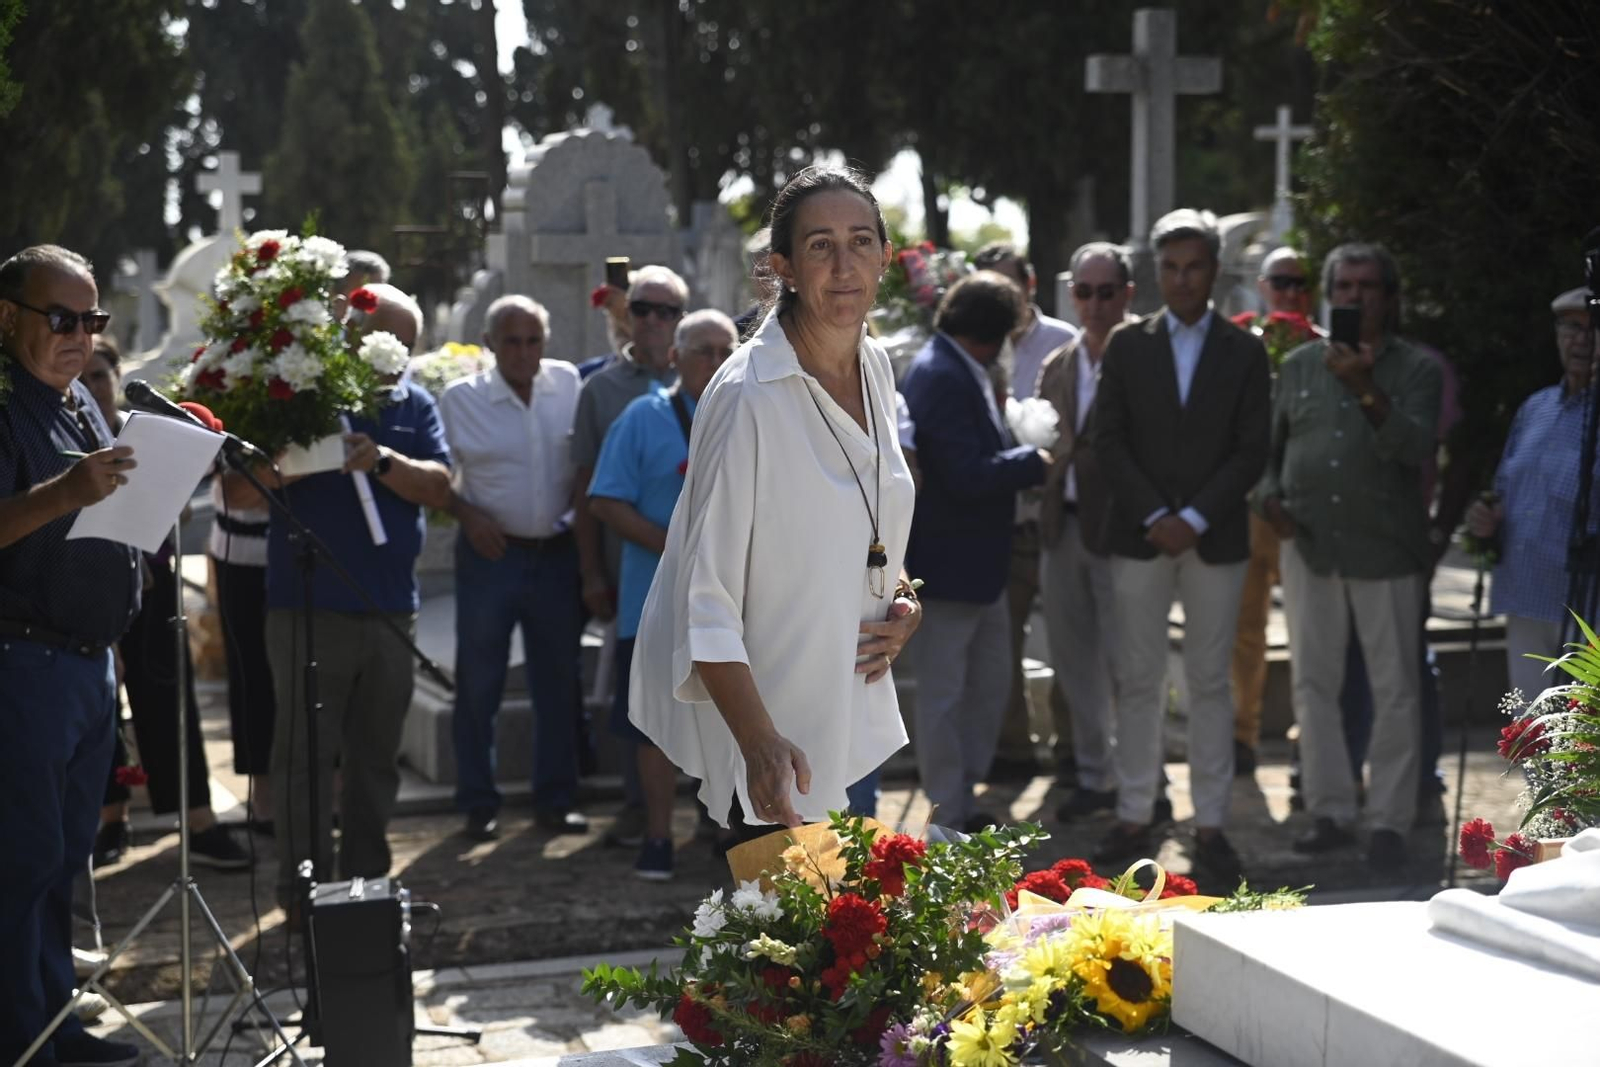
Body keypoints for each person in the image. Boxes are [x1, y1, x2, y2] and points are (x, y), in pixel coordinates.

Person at [628, 165, 921, 831]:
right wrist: (761, 745)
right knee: (788, 929)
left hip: (853, 707)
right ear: (782, 266)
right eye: (820, 245)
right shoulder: (746, 395)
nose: (844, 265)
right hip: (779, 739)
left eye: (861, 241)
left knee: (860, 926)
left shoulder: (875, 365)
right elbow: (707, 601)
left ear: (886, 256)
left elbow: (864, 518)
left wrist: (903, 596)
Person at [250, 283, 453, 907]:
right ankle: (303, 891)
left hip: (389, 609)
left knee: (374, 762)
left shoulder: (413, 405)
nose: (397, 358)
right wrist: (302, 458)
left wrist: (384, 461)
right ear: (349, 338)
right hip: (308, 611)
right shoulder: (303, 399)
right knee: (304, 761)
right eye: (386, 342)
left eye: (408, 347)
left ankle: (364, 893)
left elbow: (442, 487)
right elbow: (244, 484)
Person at [1092, 209, 1271, 882]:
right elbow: (1108, 439)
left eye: (1193, 266)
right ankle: (1135, 810)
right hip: (1140, 535)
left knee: (1208, 682)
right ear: (1156, 273)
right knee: (1137, 679)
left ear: (1214, 271)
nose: (1182, 278)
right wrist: (1156, 513)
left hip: (1214, 533)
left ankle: (1213, 823)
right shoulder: (1127, 345)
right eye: (1170, 267)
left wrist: (1194, 515)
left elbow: (1252, 447)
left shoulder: (1244, 350)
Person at [1, 244, 144, 1067]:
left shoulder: (81, 405)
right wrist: (66, 491)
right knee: (19, 862)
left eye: (92, 320)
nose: (79, 336)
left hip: (88, 665)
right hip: (23, 661)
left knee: (63, 863)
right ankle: (22, 1042)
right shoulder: (3, 404)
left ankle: (55, 1024)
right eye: (61, 318)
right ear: (6, 316)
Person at [1258, 243, 1441, 875]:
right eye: (1345, 287)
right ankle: (1331, 813)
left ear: (1389, 298)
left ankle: (1389, 822)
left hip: (1385, 553)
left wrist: (1363, 385)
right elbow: (1271, 453)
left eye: (1368, 287)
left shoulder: (1416, 369)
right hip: (1308, 546)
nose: (1355, 297)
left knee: (1396, 691)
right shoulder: (1302, 364)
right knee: (1313, 687)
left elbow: (1415, 446)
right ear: (1329, 295)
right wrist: (1269, 500)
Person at [82, 337, 249, 871]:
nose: (93, 386)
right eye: (83, 378)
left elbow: (173, 509)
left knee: (169, 701)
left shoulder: (149, 432)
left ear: (117, 376)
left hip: (152, 587)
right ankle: (112, 817)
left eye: (101, 375)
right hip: (86, 594)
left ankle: (197, 821)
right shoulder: (64, 435)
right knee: (102, 710)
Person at [589, 309, 738, 878]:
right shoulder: (641, 417)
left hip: (727, 601)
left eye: (727, 350)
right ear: (674, 357)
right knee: (653, 726)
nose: (717, 362)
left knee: (728, 714)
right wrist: (676, 547)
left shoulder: (747, 414)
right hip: (649, 600)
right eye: (704, 350)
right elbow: (605, 498)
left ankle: (727, 831)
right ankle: (657, 835)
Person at [901, 272, 1048, 830]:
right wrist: (1033, 462)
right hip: (949, 564)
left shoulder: (960, 367)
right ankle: (947, 812)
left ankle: (961, 798)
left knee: (988, 686)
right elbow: (963, 473)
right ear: (994, 331)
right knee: (945, 696)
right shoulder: (942, 375)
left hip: (976, 565)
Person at [438, 294, 587, 839]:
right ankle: (478, 802)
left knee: (559, 682)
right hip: (489, 556)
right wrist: (465, 511)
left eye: (533, 340)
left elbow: (584, 460)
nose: (524, 352)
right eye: (511, 341)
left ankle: (557, 798)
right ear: (490, 344)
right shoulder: (460, 399)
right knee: (479, 682)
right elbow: (437, 475)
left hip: (556, 553)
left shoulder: (568, 384)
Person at [571, 265, 689, 845]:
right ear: (626, 313)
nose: (652, 321)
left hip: (705, 582)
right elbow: (587, 487)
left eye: (666, 311)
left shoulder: (711, 383)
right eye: (642, 308)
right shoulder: (601, 390)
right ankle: (640, 809)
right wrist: (593, 571)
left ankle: (697, 819)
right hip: (634, 574)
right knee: (635, 700)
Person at [970, 243, 1082, 780]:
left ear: (1029, 288)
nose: (998, 300)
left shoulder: (1064, 342)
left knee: (1069, 637)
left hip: (1059, 514)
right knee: (1002, 644)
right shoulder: (974, 350)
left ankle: (1072, 745)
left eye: (1007, 288)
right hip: (1003, 518)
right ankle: (1012, 747)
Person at [1038, 242, 1136, 820]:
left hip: (1123, 530)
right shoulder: (1060, 364)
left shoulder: (1142, 356)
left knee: (1131, 665)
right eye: (1083, 291)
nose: (1094, 304)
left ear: (1126, 294)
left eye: (1106, 291)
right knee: (1074, 662)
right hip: (1063, 526)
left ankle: (1140, 780)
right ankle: (1097, 776)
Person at [1466, 286, 1596, 703]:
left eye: (1594, 328)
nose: (1581, 339)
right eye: (1571, 327)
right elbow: (1505, 492)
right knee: (1534, 741)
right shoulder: (1535, 408)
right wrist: (1485, 520)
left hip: (1587, 608)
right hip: (1524, 596)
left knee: (1582, 749)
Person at [1228, 247, 1321, 776]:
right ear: (1263, 286)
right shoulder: (1241, 339)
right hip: (1247, 504)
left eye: (1298, 282)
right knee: (1245, 626)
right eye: (1279, 282)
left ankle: (1309, 740)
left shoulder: (1329, 349)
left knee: (1312, 629)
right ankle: (1241, 734)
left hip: (1301, 508)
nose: (1289, 292)